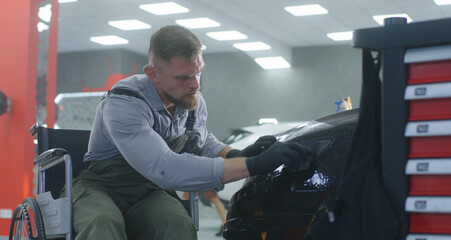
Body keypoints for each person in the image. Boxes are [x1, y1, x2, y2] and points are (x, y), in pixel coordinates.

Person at [70, 25, 311, 240]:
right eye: (184, 77)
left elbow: (201, 141)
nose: (195, 84)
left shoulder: (191, 99)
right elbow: (164, 167)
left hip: (148, 191)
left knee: (177, 223)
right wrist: (254, 164)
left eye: (198, 72)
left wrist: (234, 153)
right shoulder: (125, 103)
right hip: (102, 187)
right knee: (102, 224)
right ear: (153, 73)